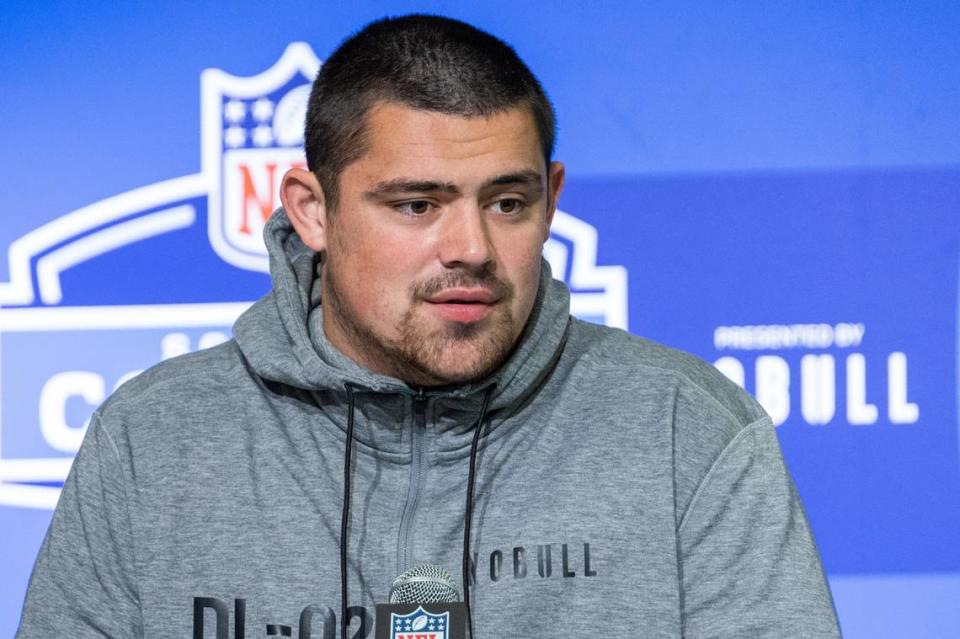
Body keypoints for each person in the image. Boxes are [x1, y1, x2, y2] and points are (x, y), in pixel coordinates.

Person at [17, 14, 841, 639]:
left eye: (508, 203)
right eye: (417, 204)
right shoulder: (152, 438)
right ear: (313, 209)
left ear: (551, 196)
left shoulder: (686, 431)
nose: (473, 249)